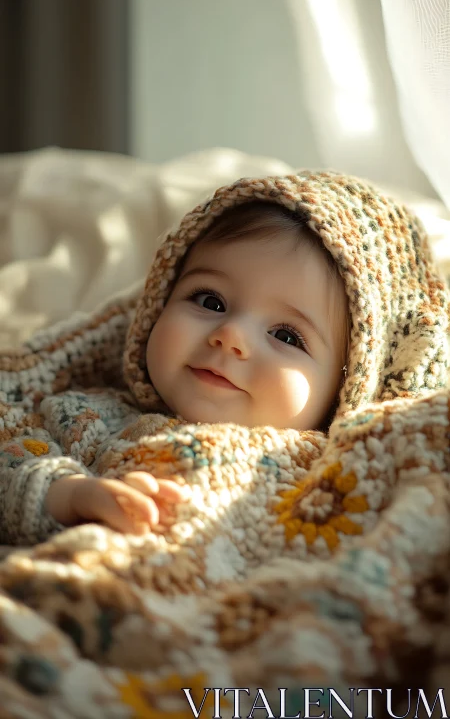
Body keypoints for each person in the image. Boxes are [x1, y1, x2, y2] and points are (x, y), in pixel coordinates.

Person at [0, 170, 447, 544]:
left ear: (348, 386)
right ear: (157, 304)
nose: (230, 336)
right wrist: (69, 495)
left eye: (287, 335)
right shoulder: (85, 416)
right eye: (210, 301)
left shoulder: (343, 480)